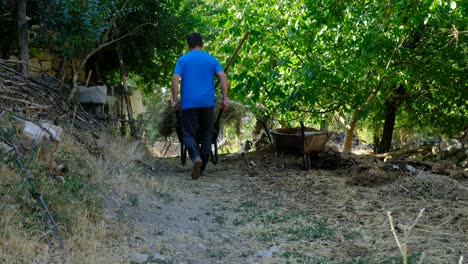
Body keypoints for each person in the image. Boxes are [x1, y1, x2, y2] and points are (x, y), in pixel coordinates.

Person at [172, 32, 229, 180]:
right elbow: (222, 76)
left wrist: (174, 100)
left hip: (189, 102)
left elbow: (175, 78)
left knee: (188, 134)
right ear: (201, 44)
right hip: (207, 102)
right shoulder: (211, 59)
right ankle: (202, 166)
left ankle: (195, 157)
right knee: (206, 134)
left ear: (188, 45)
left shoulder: (183, 60)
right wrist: (224, 99)